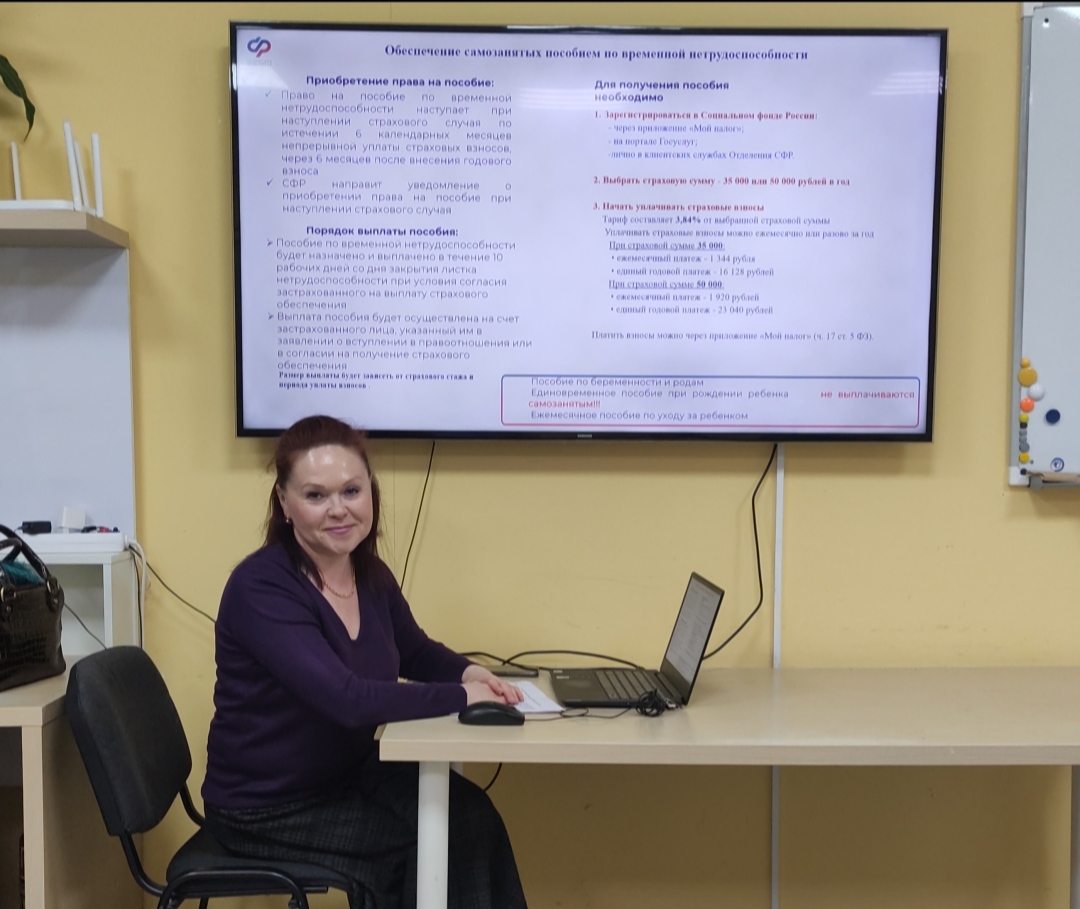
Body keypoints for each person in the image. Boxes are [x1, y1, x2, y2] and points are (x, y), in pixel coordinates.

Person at [202, 414, 528, 909]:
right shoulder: (261, 587)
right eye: (316, 495)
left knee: (469, 817)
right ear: (285, 503)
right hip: (266, 806)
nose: (339, 509)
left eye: (352, 491)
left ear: (371, 492)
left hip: (346, 774)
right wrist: (464, 697)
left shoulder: (368, 572)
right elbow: (348, 700)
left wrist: (470, 672)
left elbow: (415, 650)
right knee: (428, 844)